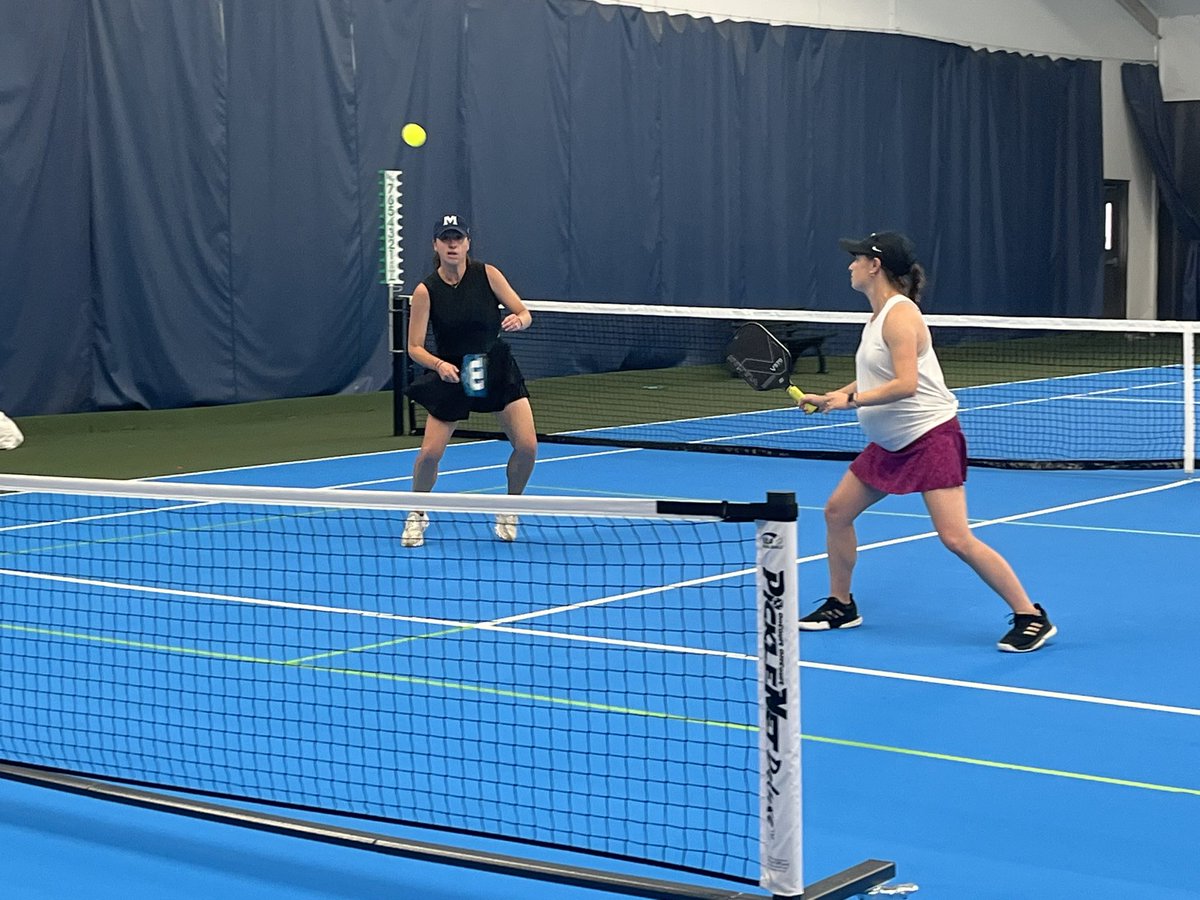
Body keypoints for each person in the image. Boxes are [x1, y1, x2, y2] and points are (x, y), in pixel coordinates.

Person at [796, 231, 1055, 653]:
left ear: (875, 266)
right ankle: (840, 605)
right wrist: (834, 396)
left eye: (856, 259)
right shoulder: (878, 316)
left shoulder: (901, 315)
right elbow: (874, 377)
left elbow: (905, 385)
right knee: (837, 512)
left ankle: (1030, 615)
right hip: (890, 443)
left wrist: (852, 401)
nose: (850, 265)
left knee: (955, 537)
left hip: (929, 437)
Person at [400, 214, 537, 548]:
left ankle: (510, 507)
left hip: (496, 367)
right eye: (445, 238)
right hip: (452, 373)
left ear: (467, 244)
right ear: (435, 245)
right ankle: (417, 513)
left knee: (528, 446)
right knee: (429, 454)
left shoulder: (488, 275)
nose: (452, 244)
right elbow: (414, 347)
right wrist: (439, 365)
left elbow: (524, 312)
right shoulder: (425, 291)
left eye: (457, 238)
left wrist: (520, 320)